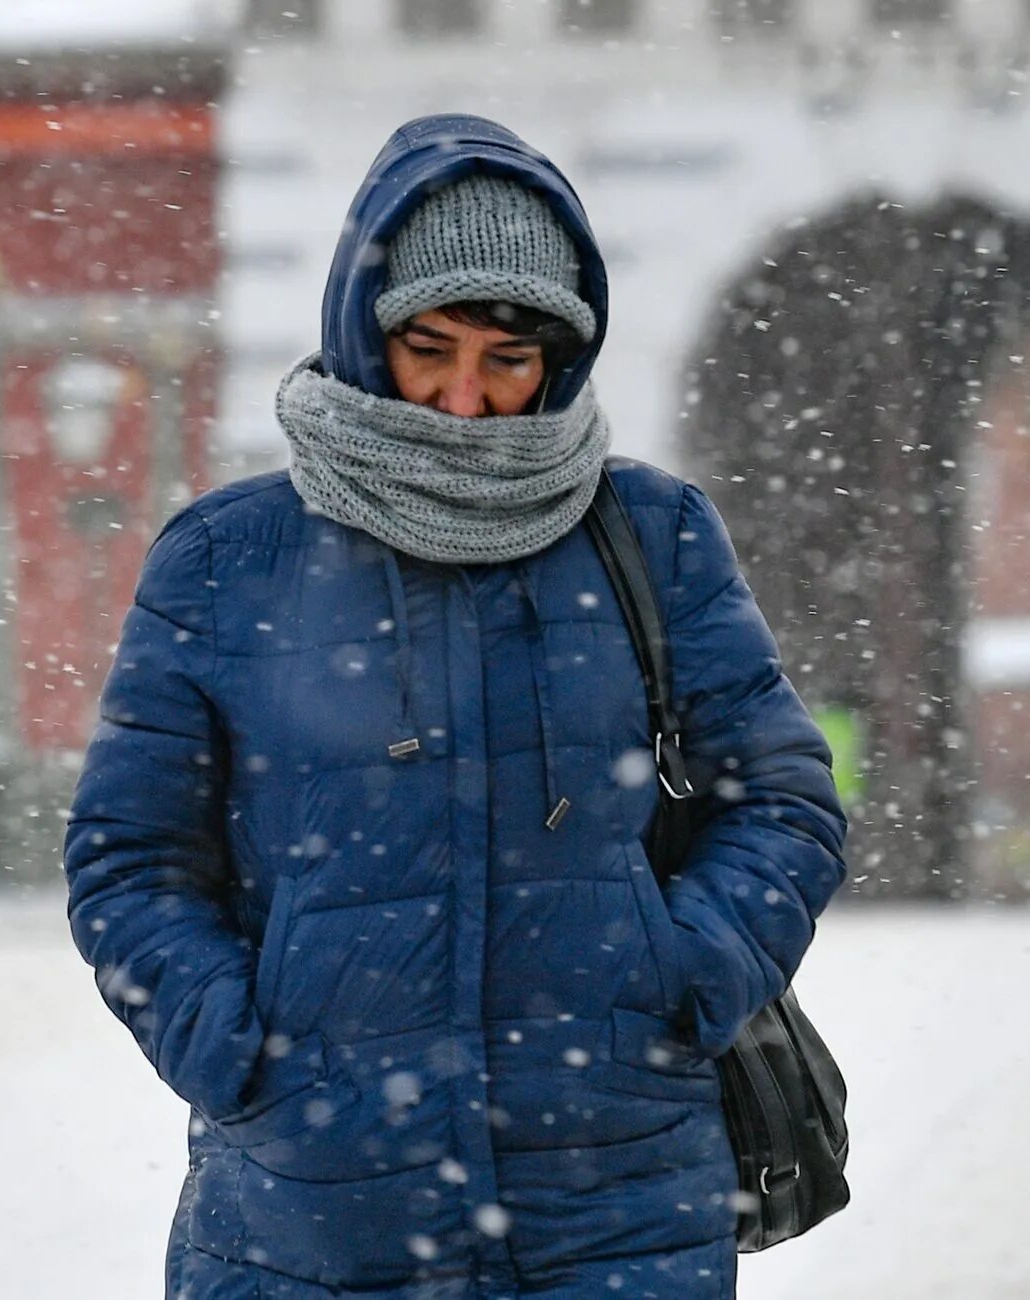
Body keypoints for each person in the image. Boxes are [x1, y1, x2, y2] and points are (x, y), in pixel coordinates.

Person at [64, 115, 847, 1300]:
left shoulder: (654, 536)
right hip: (309, 1214)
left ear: (564, 357)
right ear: (363, 331)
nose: (463, 401)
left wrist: (682, 977)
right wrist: (234, 1044)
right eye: (429, 348)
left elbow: (783, 799)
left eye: (508, 359)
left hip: (615, 1198)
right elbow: (130, 858)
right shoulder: (227, 559)